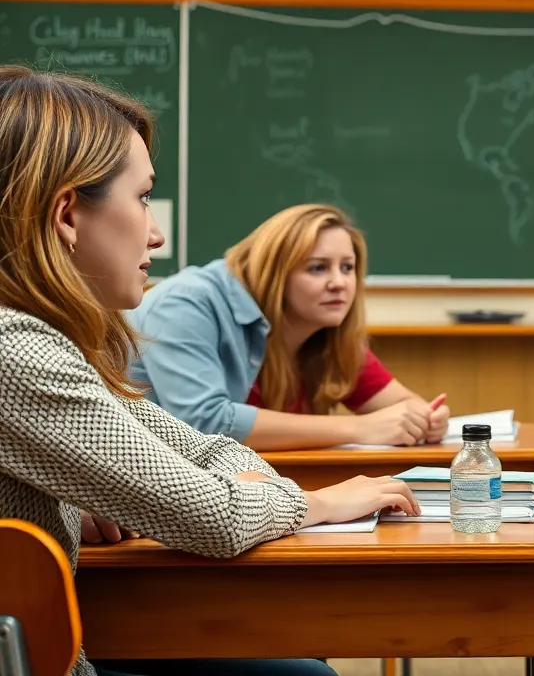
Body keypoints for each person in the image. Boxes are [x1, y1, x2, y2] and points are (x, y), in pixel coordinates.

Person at [0, 65, 419, 676]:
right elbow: (213, 516)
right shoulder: (19, 353)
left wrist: (75, 502)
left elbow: (199, 446)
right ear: (67, 215)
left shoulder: (53, 343)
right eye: (143, 199)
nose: (158, 235)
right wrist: (315, 503)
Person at [127, 204, 451, 451]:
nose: (339, 283)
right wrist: (361, 429)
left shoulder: (324, 332)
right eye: (318, 268)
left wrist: (427, 420)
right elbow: (205, 423)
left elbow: (404, 408)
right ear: (276, 273)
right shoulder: (186, 303)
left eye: (347, 268)